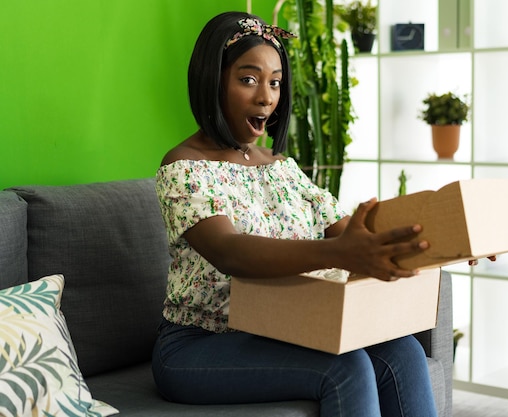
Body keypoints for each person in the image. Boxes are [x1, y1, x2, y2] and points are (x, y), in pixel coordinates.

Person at [153, 11, 449, 417]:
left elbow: (357, 233)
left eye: (275, 82)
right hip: (196, 346)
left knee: (404, 352)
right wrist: (337, 253)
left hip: (280, 327)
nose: (266, 97)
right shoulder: (183, 167)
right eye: (248, 79)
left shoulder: (281, 167)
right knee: (346, 367)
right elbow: (230, 251)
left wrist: (448, 239)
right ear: (212, 78)